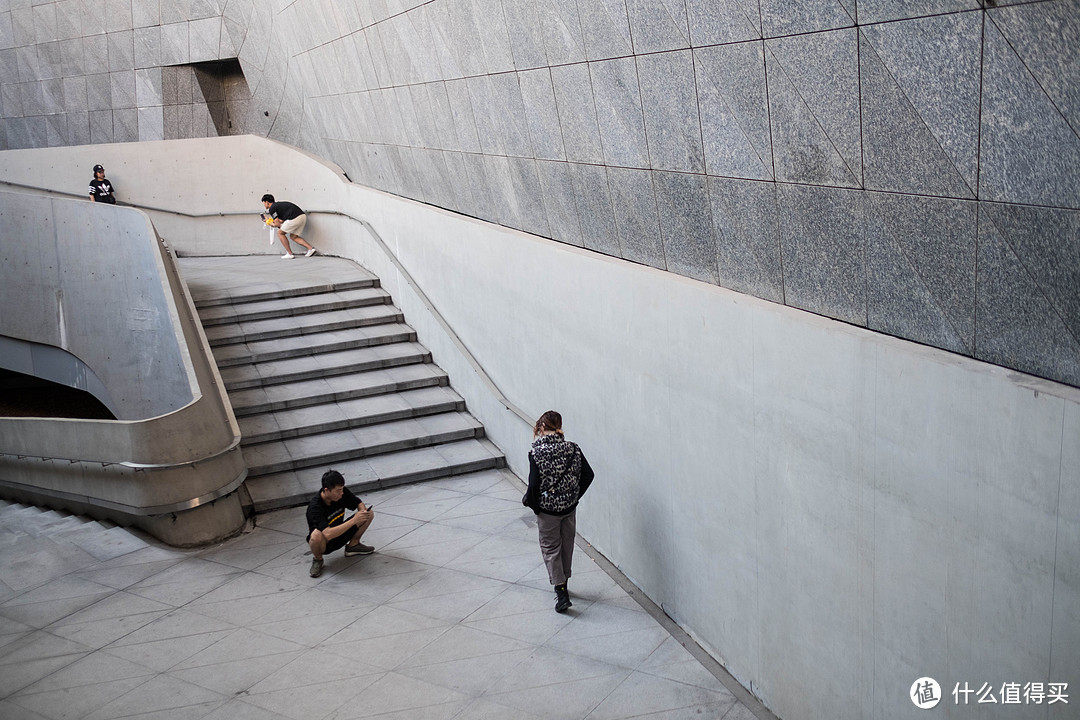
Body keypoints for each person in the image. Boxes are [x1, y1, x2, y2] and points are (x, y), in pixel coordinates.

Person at [522, 410, 594, 612]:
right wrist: (574, 496)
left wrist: (537, 507)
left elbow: (534, 485)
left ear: (541, 428)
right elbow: (589, 475)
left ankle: (561, 591)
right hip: (569, 507)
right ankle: (564, 583)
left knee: (550, 547)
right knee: (566, 544)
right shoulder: (573, 449)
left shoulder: (536, 453)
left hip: (548, 510)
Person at [306, 469, 375, 578]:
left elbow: (358, 502)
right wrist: (354, 521)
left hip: (341, 532)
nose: (341, 493)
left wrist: (362, 511)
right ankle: (318, 560)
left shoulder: (341, 493)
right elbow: (327, 534)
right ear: (326, 490)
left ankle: (353, 545)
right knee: (315, 536)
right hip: (325, 542)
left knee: (368, 514)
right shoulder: (315, 508)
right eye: (338, 491)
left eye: (342, 489)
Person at [261, 193, 318, 259]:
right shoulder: (278, 206)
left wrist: (268, 223)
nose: (264, 204)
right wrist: (269, 220)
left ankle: (289, 253)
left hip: (295, 218)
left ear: (267, 202)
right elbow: (281, 221)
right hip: (302, 217)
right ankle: (310, 249)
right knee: (293, 236)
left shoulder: (272, 208)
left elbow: (277, 224)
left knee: (280, 233)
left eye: (264, 203)